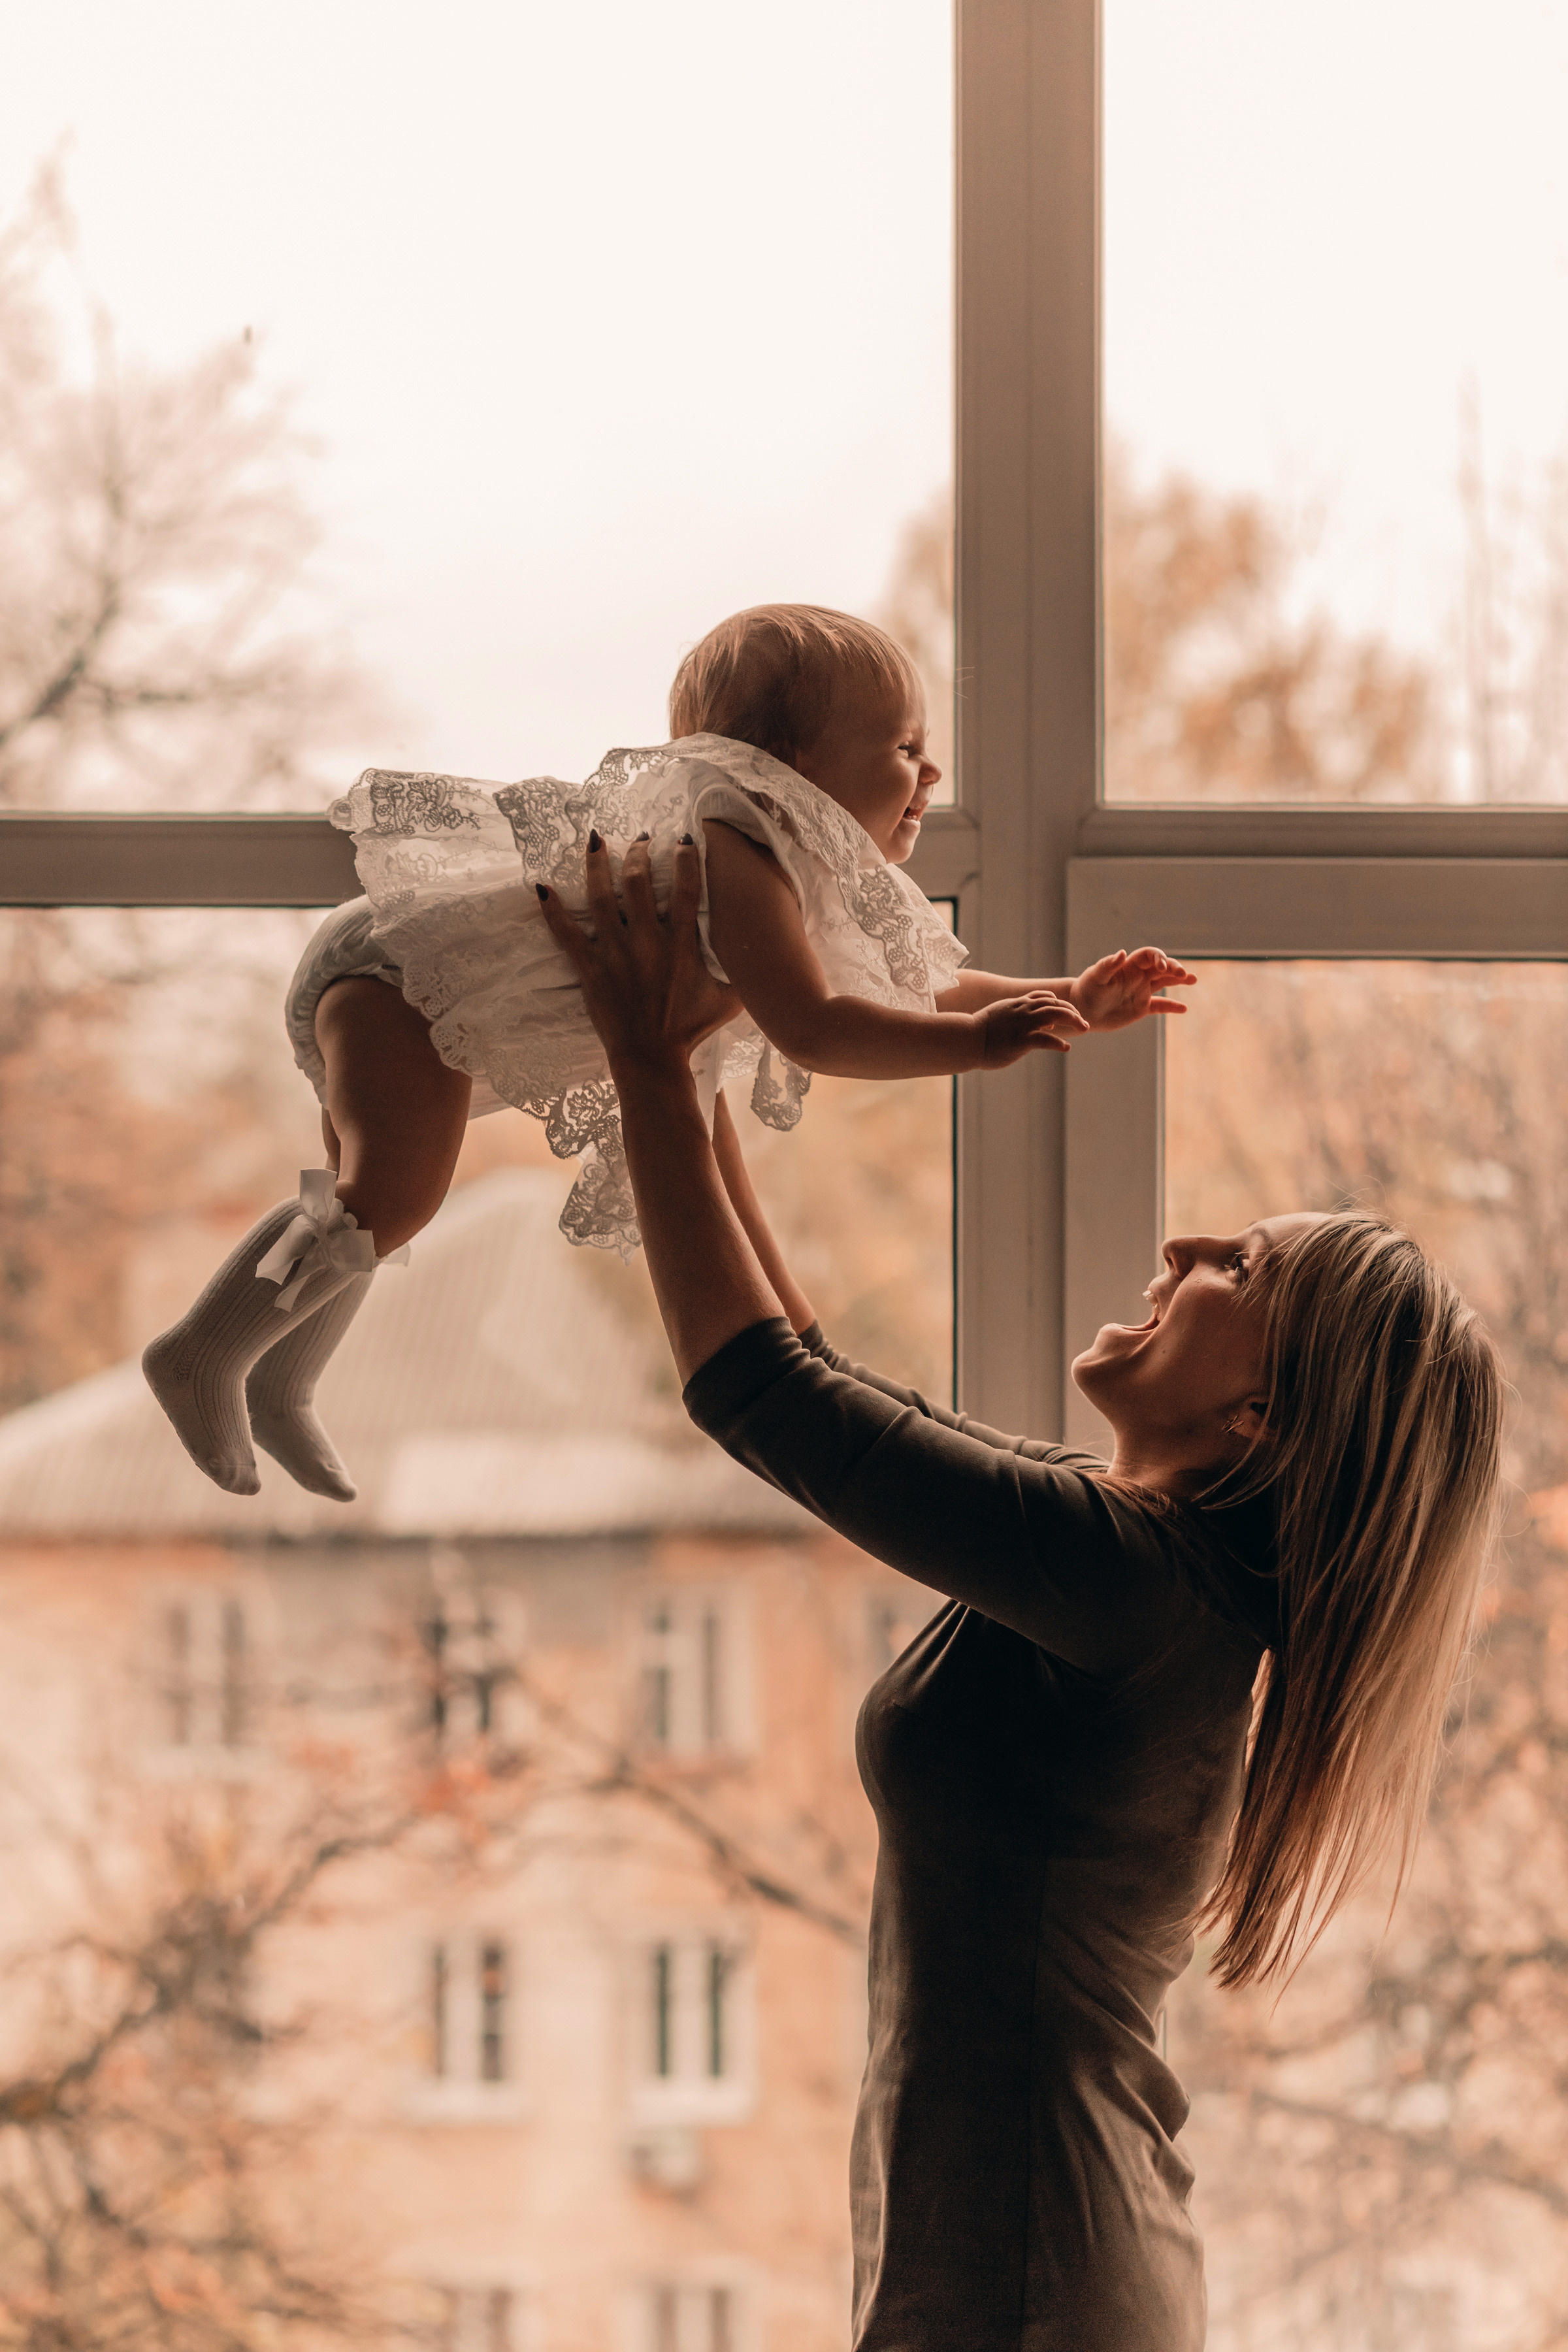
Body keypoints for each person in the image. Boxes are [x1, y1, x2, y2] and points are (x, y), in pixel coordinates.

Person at [536, 833, 1505, 2352]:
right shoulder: (1133, 1567)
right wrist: (700, 1072)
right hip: (1034, 2261)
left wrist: (651, 1067)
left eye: (1239, 1269)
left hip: (1036, 2285)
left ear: (1265, 1418)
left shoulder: (1133, 1587)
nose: (1182, 1243)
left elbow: (762, 1400)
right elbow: (821, 1380)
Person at [143, 602, 1193, 1501]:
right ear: (792, 769)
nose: (931, 770)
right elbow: (814, 1027)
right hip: (397, 986)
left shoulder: (792, 865)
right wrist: (975, 1044)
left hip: (398, 983)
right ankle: (200, 1353)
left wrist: (1067, 998)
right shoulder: (737, 838)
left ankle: (280, 1385)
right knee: (388, 1197)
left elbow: (908, 983)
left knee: (367, 1202)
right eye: (905, 745)